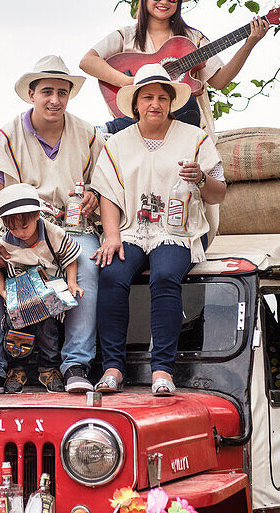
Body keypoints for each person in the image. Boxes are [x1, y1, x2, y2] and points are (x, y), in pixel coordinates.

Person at [0, 56, 105, 395]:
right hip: (15, 225)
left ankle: (75, 364)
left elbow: (106, 182)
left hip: (70, 226)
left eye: (62, 92)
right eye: (46, 92)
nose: (54, 100)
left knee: (86, 263)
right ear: (31, 94)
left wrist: (96, 195)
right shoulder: (5, 138)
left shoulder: (88, 134)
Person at [90, 65, 226, 397]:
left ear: (171, 102)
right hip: (132, 228)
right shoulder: (118, 143)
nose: (155, 103)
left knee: (165, 275)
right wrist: (111, 235)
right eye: (148, 97)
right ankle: (113, 368)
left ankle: (162, 369)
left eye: (162, 97)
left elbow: (219, 192)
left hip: (179, 229)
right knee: (111, 274)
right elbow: (107, 192)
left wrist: (201, 179)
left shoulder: (195, 138)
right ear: (135, 103)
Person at [79, 0, 269, 136]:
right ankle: (110, 130)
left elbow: (220, 82)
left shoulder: (193, 38)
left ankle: (112, 130)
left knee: (184, 97)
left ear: (178, 2)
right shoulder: (127, 35)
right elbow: (88, 61)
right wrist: (130, 82)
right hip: (139, 121)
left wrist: (249, 44)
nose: (164, 1)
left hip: (184, 125)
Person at [0, 183, 83, 393]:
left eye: (24, 227)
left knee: (47, 330)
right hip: (19, 293)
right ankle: (17, 369)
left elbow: (70, 257)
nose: (19, 233)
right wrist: (4, 292)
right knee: (15, 332)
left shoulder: (53, 233)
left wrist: (72, 282)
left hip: (48, 289)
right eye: (13, 228)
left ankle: (49, 368)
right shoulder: (2, 240)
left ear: (37, 216)